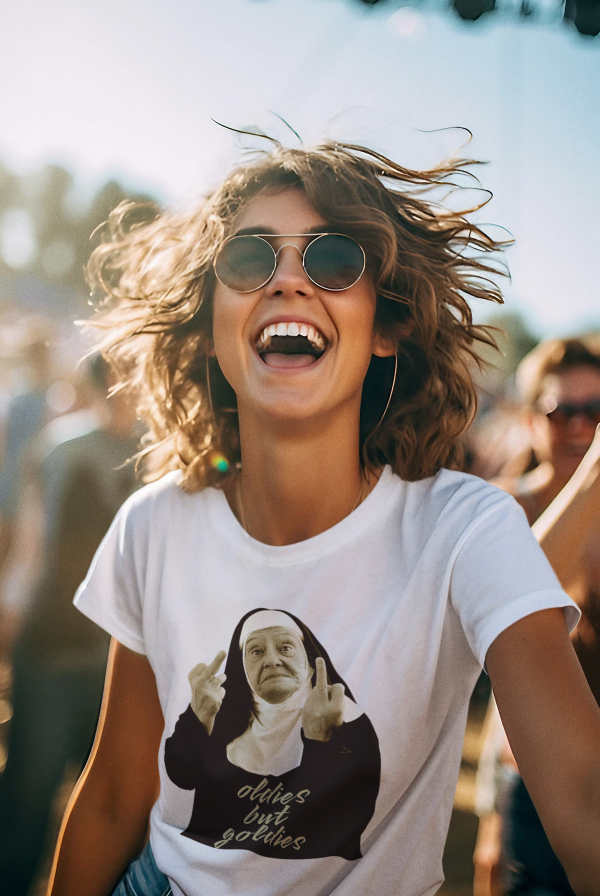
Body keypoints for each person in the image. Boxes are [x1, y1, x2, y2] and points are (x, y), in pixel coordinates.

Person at [47, 141, 600, 896]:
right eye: (248, 259)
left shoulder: (466, 530)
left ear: (386, 328)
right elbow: (112, 800)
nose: (288, 280)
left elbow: (584, 800)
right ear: (213, 321)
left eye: (335, 260)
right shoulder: (154, 527)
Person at [0, 355, 140, 896]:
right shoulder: (61, 448)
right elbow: (31, 546)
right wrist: (10, 618)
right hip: (55, 650)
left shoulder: (170, 451)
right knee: (29, 801)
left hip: (129, 663)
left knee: (123, 810)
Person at [473, 335, 600, 896]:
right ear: (530, 420)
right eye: (561, 411)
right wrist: (490, 814)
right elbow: (519, 606)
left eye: (595, 411)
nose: (579, 426)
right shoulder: (501, 508)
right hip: (535, 779)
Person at [164, 608, 380, 860]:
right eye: (256, 651)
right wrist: (198, 715)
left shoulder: (348, 720)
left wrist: (320, 742)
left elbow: (340, 825)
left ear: (309, 657)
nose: (272, 660)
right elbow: (181, 776)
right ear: (241, 666)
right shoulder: (221, 717)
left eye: (285, 647)